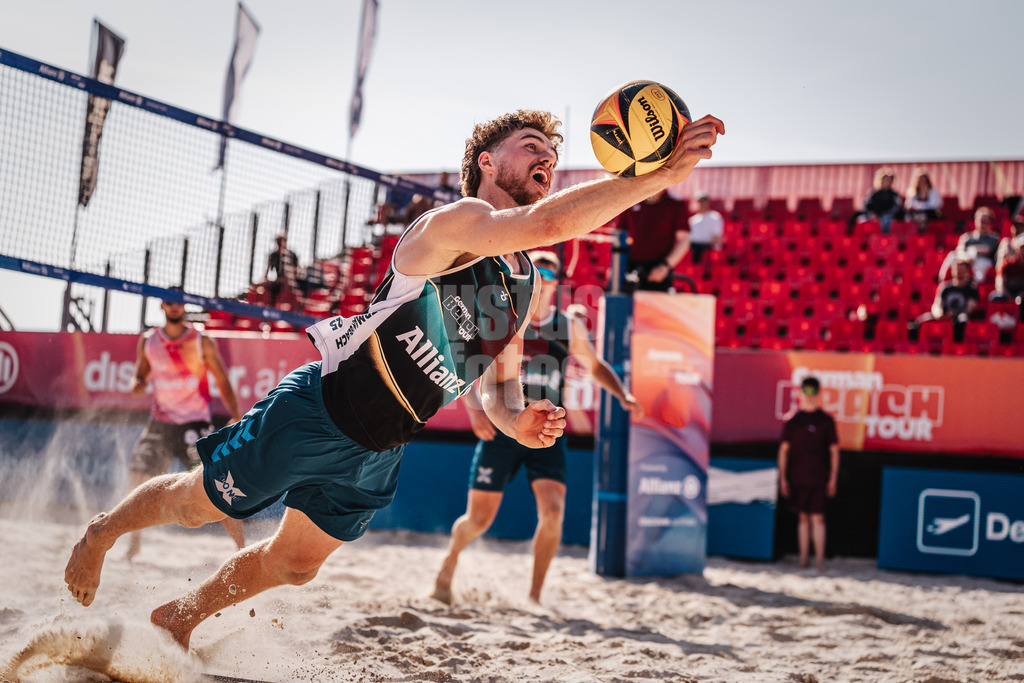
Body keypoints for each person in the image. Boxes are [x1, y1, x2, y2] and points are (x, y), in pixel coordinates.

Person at [64, 108, 724, 650]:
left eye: (552, 153)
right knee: (197, 505)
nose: (546, 157)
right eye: (531, 145)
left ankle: (181, 615)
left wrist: (515, 419)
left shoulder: (523, 283)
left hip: (384, 446)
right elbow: (547, 223)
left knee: (295, 565)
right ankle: (102, 530)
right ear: (487, 162)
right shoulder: (454, 223)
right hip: (324, 407)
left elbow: (495, 381)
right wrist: (659, 175)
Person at [431, 250, 642, 606]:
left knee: (554, 511)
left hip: (547, 431)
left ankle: (534, 597)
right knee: (478, 520)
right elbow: (466, 362)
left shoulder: (568, 326)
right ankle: (449, 564)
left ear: (557, 283)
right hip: (504, 427)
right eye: (537, 272)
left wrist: (623, 394)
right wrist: (475, 410)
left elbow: (595, 365)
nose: (542, 280)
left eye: (549, 274)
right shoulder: (505, 318)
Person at [126, 294, 246, 559]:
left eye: (179, 302)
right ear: (162, 305)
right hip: (160, 422)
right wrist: (137, 384)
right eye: (170, 302)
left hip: (194, 423)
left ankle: (241, 549)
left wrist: (237, 415)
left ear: (184, 305)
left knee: (216, 485)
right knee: (137, 479)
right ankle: (134, 546)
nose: (175, 306)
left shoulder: (201, 340)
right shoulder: (148, 341)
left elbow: (223, 380)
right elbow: (140, 375)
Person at [777, 376, 839, 572]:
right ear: (800, 392)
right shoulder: (793, 420)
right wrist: (783, 478)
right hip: (797, 477)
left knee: (818, 518)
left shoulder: (826, 420)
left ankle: (820, 562)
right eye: (806, 390)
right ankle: (803, 560)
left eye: (813, 391)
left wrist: (833, 478)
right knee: (802, 517)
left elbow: (834, 452)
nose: (809, 395)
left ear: (818, 393)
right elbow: (783, 451)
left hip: (819, 478)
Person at [616, 189, 691, 291]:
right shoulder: (631, 200)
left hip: (659, 271)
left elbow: (683, 240)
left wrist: (665, 266)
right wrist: (615, 268)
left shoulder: (675, 203)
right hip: (630, 268)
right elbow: (618, 235)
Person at [915, 256, 980, 327]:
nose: (959, 273)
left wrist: (954, 314)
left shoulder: (971, 289)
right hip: (944, 316)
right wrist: (939, 313)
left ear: (967, 272)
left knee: (962, 319)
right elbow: (937, 305)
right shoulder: (945, 287)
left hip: (959, 318)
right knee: (921, 321)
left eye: (961, 271)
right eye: (957, 270)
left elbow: (969, 309)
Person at [956, 207, 1002, 283]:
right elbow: (960, 250)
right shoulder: (967, 237)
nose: (983, 225)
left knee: (980, 263)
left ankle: (976, 286)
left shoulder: (994, 238)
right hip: (967, 259)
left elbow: (988, 250)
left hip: (984, 261)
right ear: (976, 221)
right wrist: (967, 256)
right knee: (951, 256)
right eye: (981, 221)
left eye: (986, 222)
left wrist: (974, 250)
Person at [860, 166, 902, 234]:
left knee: (886, 220)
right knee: (861, 220)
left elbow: (896, 208)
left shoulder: (894, 195)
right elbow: (866, 205)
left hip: (887, 216)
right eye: (885, 180)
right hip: (874, 215)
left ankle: (883, 238)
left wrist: (882, 215)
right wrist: (872, 214)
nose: (887, 182)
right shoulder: (874, 193)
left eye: (889, 180)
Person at [687, 192, 724, 263]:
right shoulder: (693, 220)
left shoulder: (715, 217)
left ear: (708, 202)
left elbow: (716, 238)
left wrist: (702, 244)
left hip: (708, 248)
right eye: (699, 202)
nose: (701, 203)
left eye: (704, 201)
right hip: (693, 247)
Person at [264, 234, 300, 305]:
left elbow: (297, 270)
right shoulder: (273, 256)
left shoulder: (291, 255)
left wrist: (291, 276)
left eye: (282, 241)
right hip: (278, 280)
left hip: (290, 281)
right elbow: (267, 272)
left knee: (286, 283)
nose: (280, 243)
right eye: (278, 242)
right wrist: (266, 280)